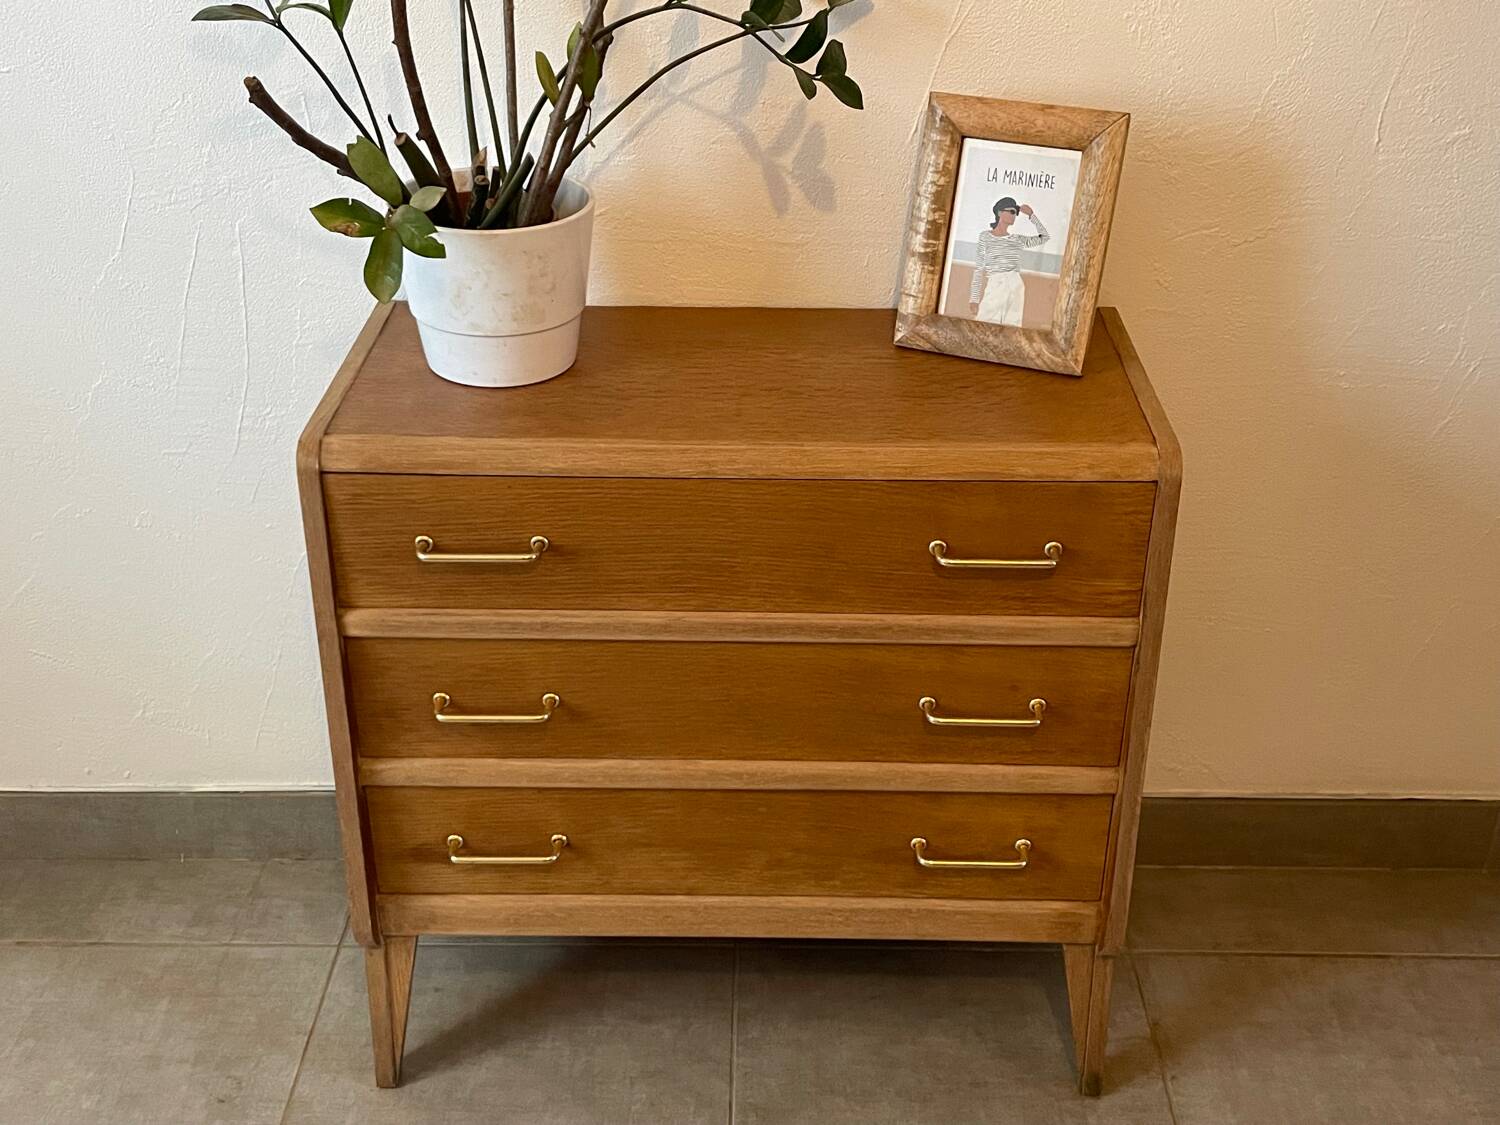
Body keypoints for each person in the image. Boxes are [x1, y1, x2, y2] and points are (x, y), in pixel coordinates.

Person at [968, 196, 1049, 326]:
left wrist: (1031, 215)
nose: (1014, 215)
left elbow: (1044, 237)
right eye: (1011, 211)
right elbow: (978, 268)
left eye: (1016, 213)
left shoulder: (1017, 239)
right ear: (1000, 212)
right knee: (985, 325)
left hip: (1015, 284)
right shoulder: (985, 236)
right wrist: (974, 299)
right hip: (995, 283)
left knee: (1012, 327)